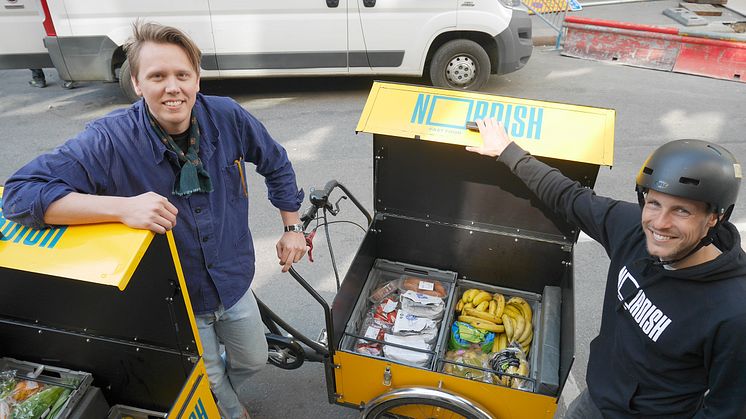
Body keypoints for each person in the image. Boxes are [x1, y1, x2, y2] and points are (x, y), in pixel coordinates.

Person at [4, 22, 307, 419]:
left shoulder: (227, 117)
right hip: (174, 300)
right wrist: (120, 207)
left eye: (182, 75)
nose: (172, 87)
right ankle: (231, 411)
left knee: (253, 360)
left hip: (232, 280)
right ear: (136, 82)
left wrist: (292, 228)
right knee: (211, 381)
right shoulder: (109, 140)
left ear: (197, 79)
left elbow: (276, 163)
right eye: (157, 76)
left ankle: (219, 388)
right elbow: (20, 193)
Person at [467, 118, 746, 418]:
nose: (660, 223)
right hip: (595, 401)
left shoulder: (733, 312)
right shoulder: (632, 231)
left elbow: (727, 409)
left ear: (715, 218)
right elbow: (569, 197)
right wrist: (509, 152)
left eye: (681, 211)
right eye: (654, 204)